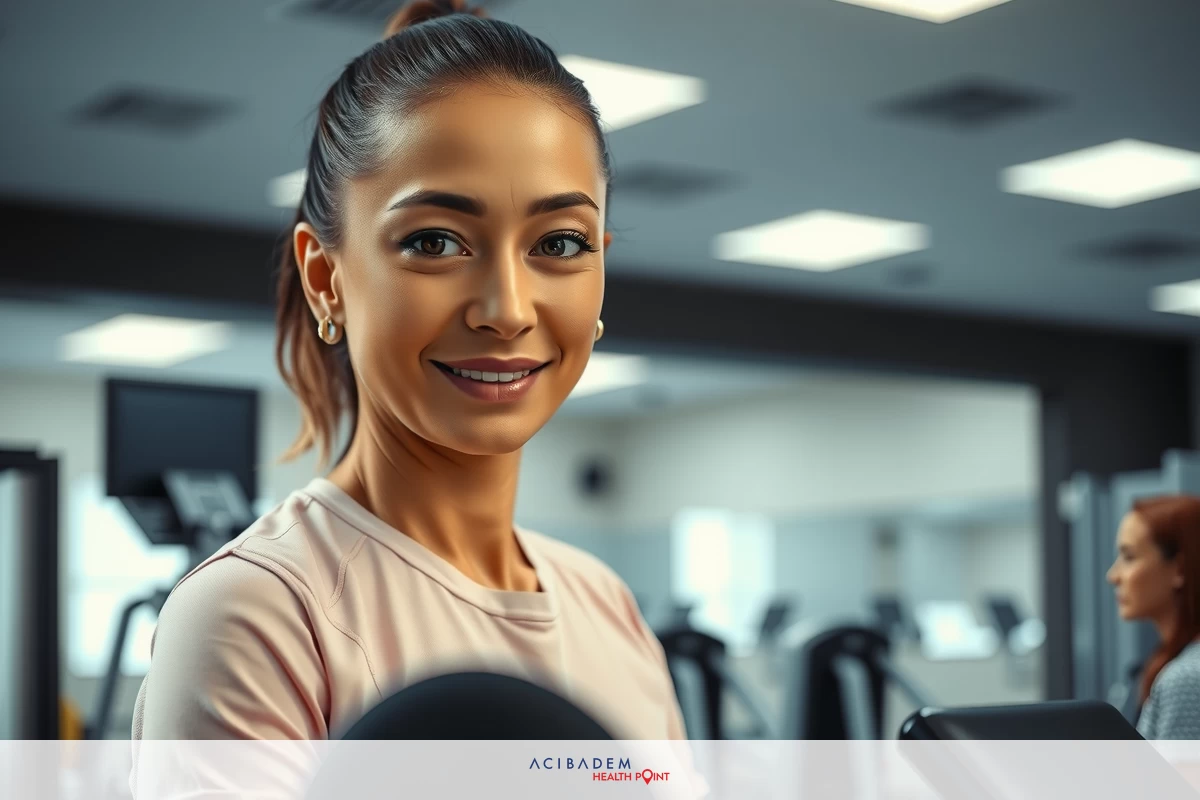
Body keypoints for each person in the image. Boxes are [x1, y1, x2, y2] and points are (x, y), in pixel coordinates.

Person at [131, 0, 698, 792]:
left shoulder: (606, 605)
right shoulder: (259, 612)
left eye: (559, 244)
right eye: (435, 242)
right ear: (327, 279)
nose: (506, 308)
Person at [1107, 495, 1200, 739]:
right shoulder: (1169, 666)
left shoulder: (1187, 679)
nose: (1113, 576)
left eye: (1129, 557)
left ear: (1178, 569)